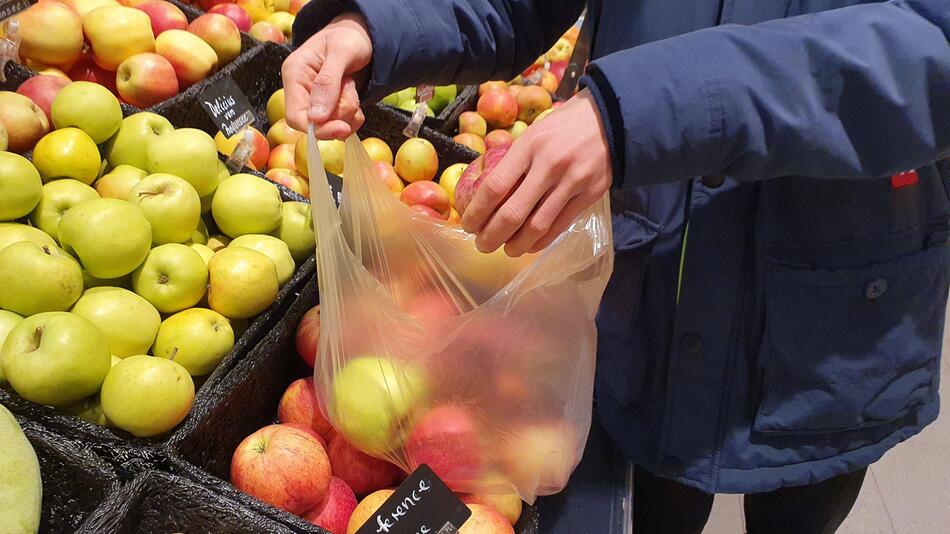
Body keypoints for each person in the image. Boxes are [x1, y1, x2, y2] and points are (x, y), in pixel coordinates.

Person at [283, 1, 950, 532]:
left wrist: (644, 110)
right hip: (650, 289)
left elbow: (931, 43)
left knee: (802, 504)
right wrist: (376, 24)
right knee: (651, 501)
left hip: (831, 330)